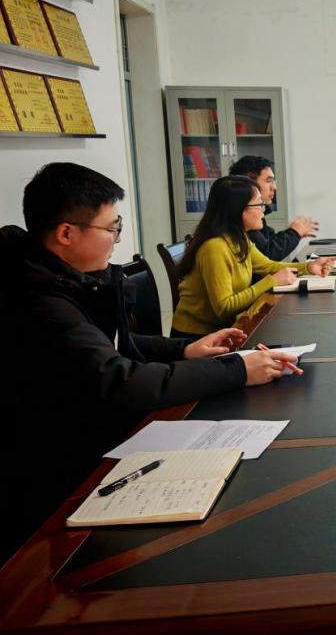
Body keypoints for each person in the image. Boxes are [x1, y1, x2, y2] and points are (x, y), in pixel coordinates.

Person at [0, 163, 296, 562]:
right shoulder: (40, 301)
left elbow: (112, 344)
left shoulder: (63, 279)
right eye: (112, 228)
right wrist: (238, 369)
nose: (117, 239)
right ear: (67, 234)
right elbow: (120, 380)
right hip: (57, 479)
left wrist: (184, 350)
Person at [171, 176, 335, 338]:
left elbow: (268, 266)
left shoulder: (238, 238)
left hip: (225, 330)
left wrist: (309, 267)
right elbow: (224, 309)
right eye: (259, 205)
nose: (263, 212)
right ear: (239, 209)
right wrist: (272, 281)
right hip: (196, 338)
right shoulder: (215, 247)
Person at [228, 155, 318, 261]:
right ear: (248, 184)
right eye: (268, 181)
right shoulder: (243, 216)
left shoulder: (254, 213)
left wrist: (295, 233)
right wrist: (294, 232)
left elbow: (269, 242)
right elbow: (269, 253)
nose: (274, 187)